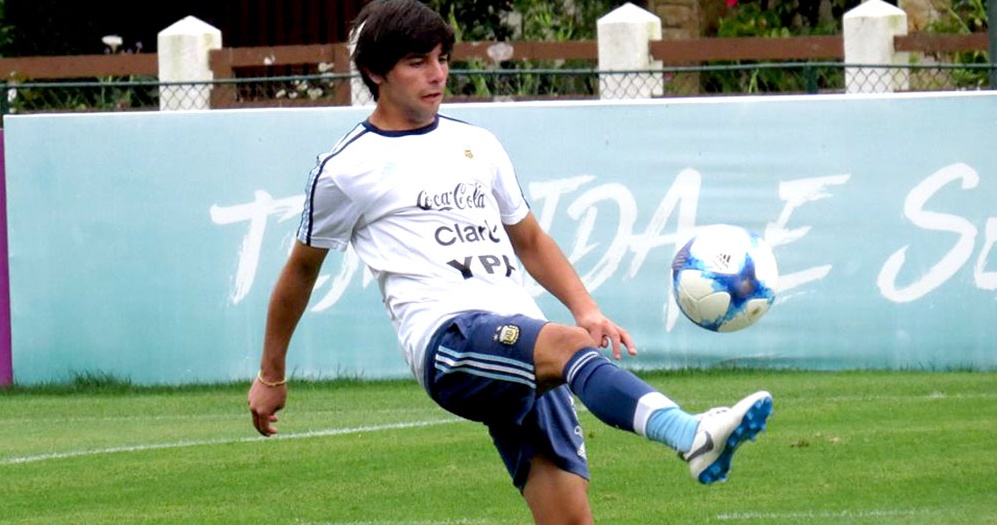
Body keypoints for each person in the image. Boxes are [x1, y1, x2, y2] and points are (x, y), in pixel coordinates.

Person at [248, 0, 773, 523]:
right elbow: (300, 269)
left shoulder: (476, 143)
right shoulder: (346, 168)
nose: (437, 75)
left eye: (442, 59)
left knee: (570, 518)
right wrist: (272, 376)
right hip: (448, 341)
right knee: (567, 343)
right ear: (374, 72)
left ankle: (684, 432)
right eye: (418, 63)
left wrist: (585, 308)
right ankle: (691, 434)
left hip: (519, 334)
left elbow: (529, 238)